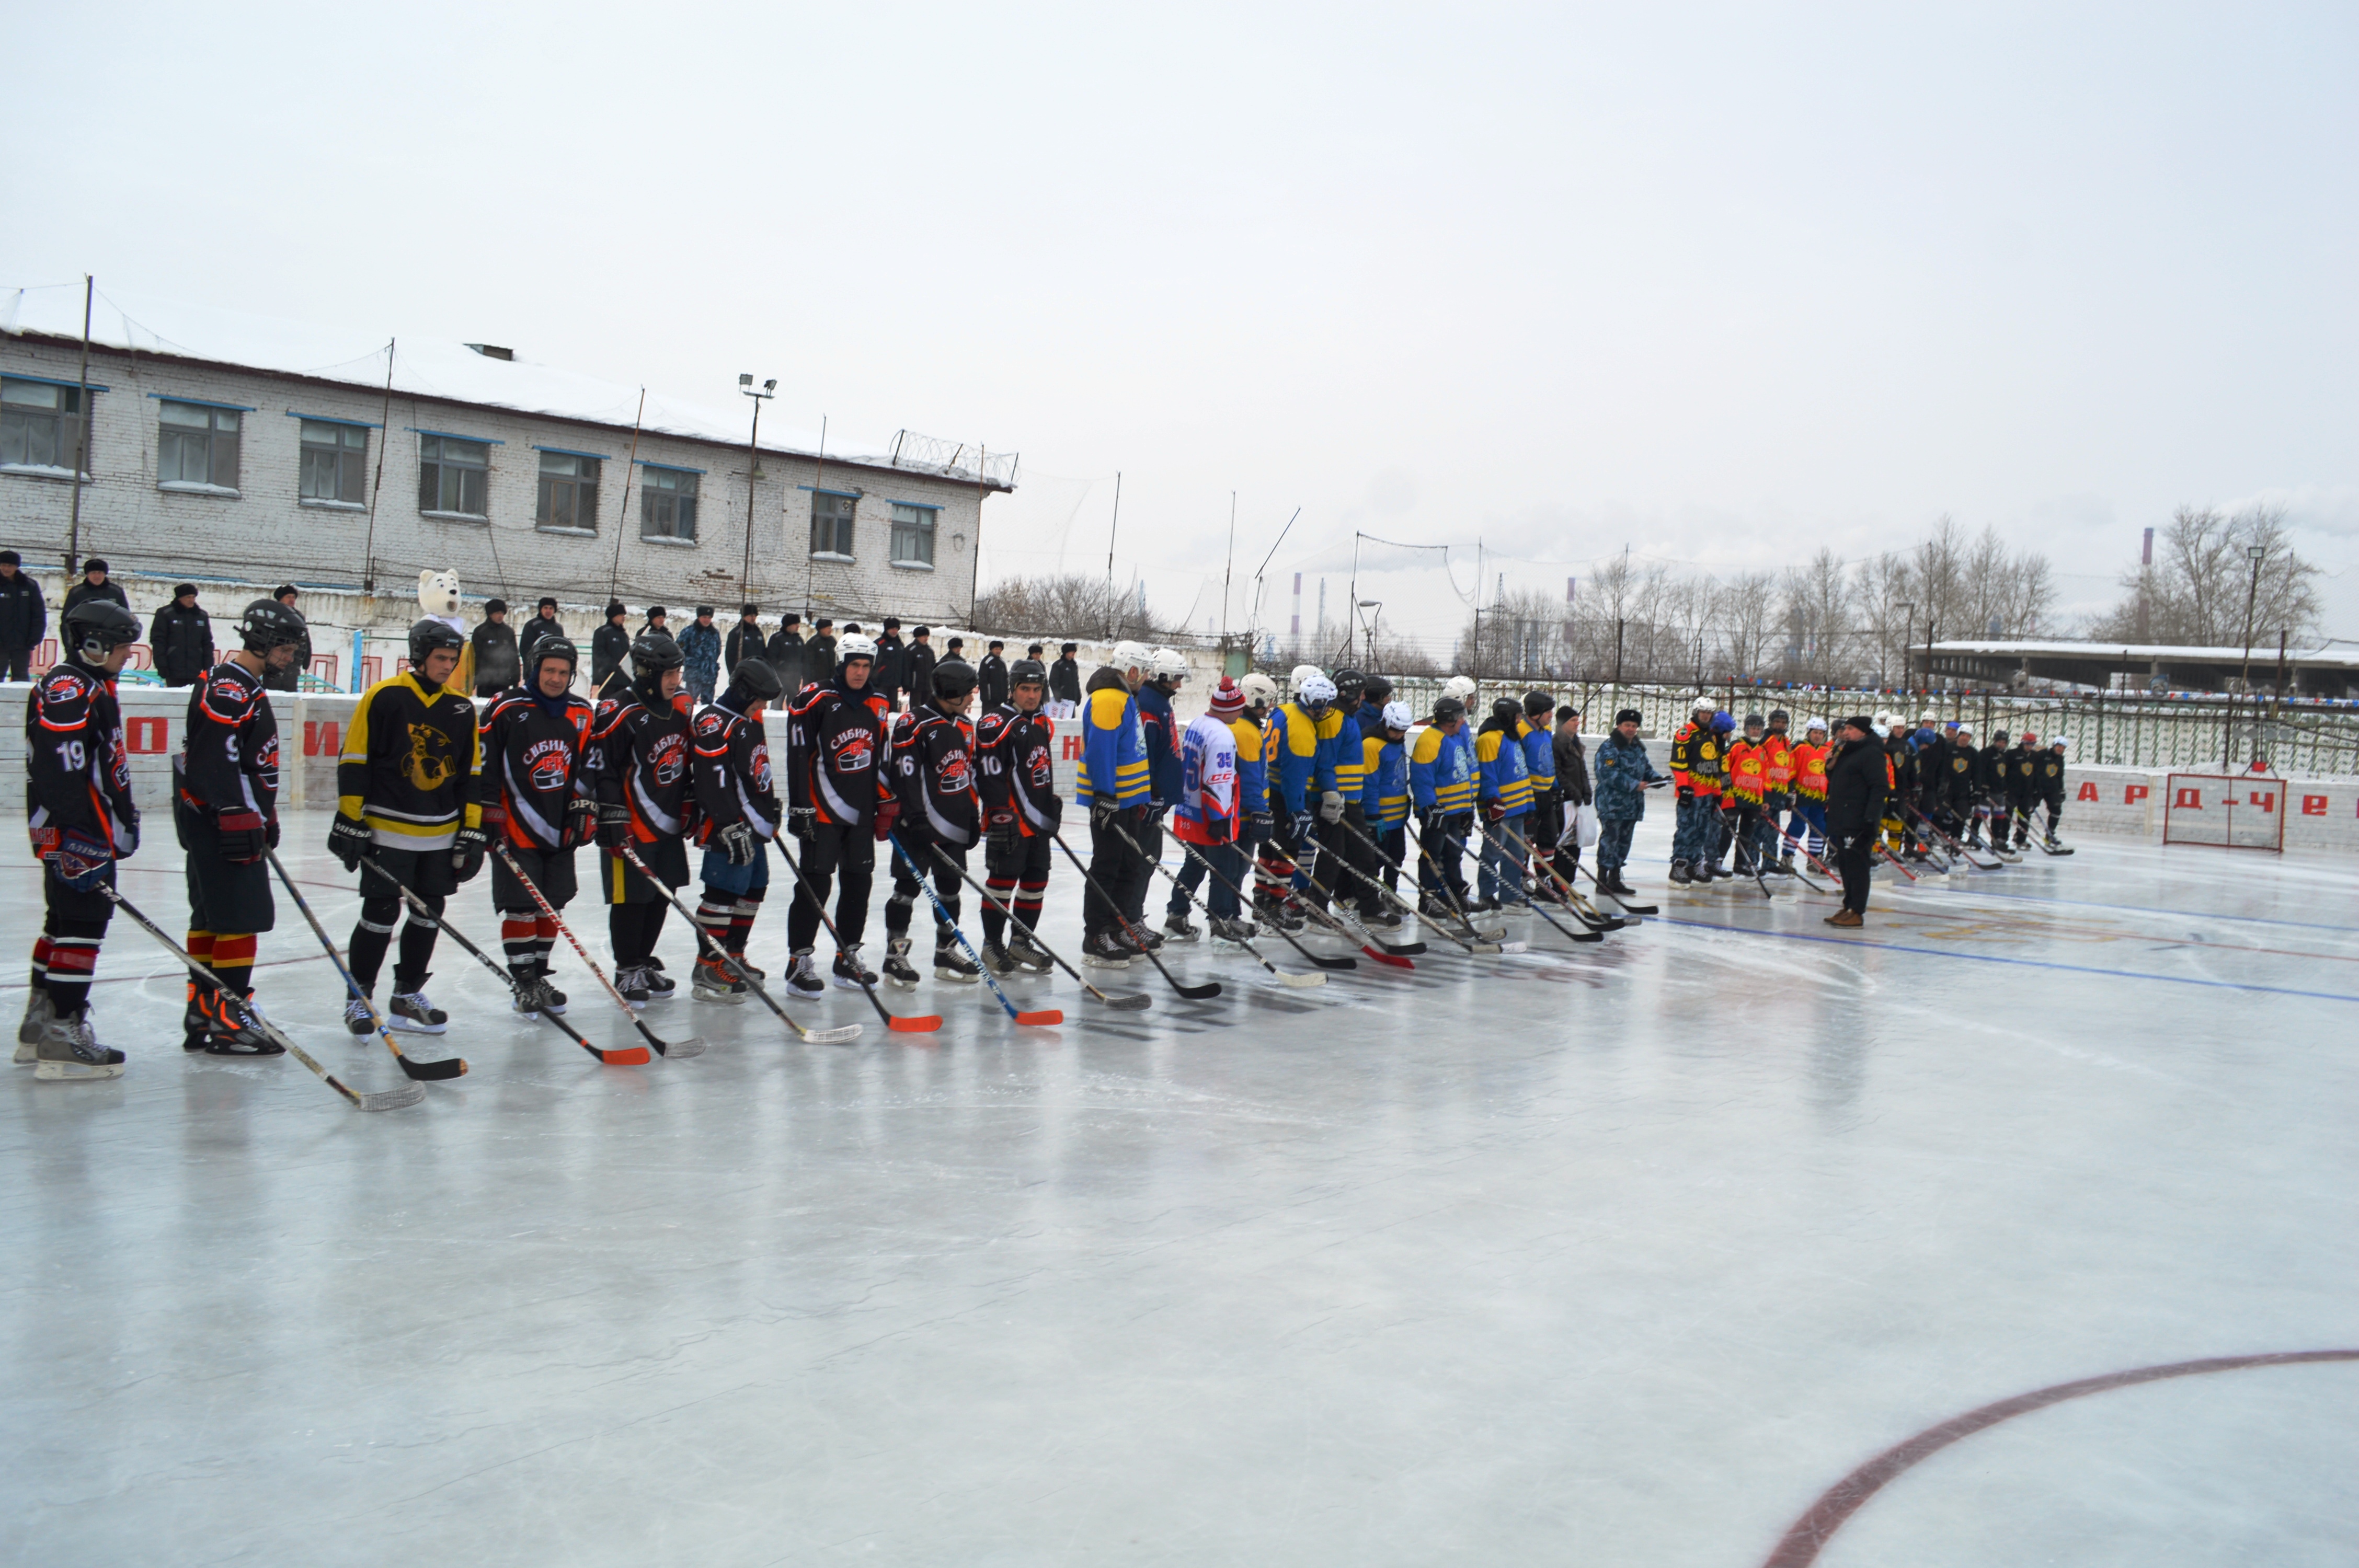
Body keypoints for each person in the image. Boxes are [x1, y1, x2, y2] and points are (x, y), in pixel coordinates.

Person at [327, 618, 482, 1034]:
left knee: (429, 913)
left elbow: (470, 774)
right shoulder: (384, 697)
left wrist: (472, 829)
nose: (447, 667)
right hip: (387, 830)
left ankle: (406, 995)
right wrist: (350, 817)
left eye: (453, 659)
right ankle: (358, 998)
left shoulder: (461, 707)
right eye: (440, 659)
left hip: (440, 833)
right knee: (379, 913)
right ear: (419, 657)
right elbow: (355, 759)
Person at [173, 597, 307, 1056]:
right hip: (224, 824)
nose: (289, 657)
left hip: (220, 820)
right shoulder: (230, 688)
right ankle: (230, 1017)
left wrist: (260, 815)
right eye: (285, 648)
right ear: (263, 641)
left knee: (211, 918)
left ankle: (203, 1006)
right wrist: (239, 815)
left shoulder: (238, 684)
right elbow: (217, 762)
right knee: (239, 918)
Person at [18, 597, 142, 1080]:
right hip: (78, 834)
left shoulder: (86, 683)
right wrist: (83, 837)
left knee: (62, 920)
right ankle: (62, 1034)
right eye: (121, 647)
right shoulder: (72, 688)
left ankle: (40, 1022)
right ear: (93, 645)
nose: (127, 655)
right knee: (82, 925)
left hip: (74, 830)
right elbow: (63, 774)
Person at [474, 634, 596, 1017]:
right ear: (533, 669)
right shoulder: (505, 708)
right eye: (550, 671)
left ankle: (540, 974)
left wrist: (583, 804)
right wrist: (489, 815)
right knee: (522, 907)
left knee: (552, 905)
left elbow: (587, 765)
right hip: (516, 827)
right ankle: (523, 980)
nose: (557, 679)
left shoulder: (581, 712)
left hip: (560, 828)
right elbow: (483, 766)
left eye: (564, 673)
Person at [781, 630, 891, 997]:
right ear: (840, 665)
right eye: (854, 665)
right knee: (816, 884)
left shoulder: (878, 702)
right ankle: (799, 962)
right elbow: (798, 756)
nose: (860, 672)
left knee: (859, 883)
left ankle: (848, 957)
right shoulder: (815, 699)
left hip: (860, 811)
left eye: (865, 666)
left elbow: (879, 758)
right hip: (822, 811)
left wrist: (885, 800)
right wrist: (800, 805)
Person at [588, 631, 696, 1005]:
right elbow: (601, 768)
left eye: (678, 672)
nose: (675, 680)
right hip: (631, 826)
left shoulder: (680, 706)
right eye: (668, 673)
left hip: (667, 823)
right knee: (632, 899)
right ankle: (626, 968)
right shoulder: (619, 710)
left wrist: (692, 800)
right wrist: (610, 817)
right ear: (646, 671)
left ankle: (643, 960)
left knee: (662, 895)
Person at [686, 651, 784, 1000]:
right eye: (758, 698)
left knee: (754, 887)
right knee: (723, 894)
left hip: (753, 825)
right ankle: (707, 965)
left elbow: (758, 770)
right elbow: (712, 780)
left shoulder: (749, 719)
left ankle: (734, 955)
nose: (761, 705)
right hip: (726, 827)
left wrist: (771, 807)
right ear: (743, 691)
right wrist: (729, 823)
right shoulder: (714, 721)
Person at [881, 658, 983, 988]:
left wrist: (971, 815)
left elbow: (967, 772)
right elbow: (905, 776)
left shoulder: (964, 725)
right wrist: (915, 819)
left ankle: (945, 951)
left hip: (953, 824)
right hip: (918, 826)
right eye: (968, 692)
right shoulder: (913, 724)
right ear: (951, 691)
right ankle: (895, 956)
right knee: (907, 889)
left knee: (951, 890)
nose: (972, 698)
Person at [975, 656, 1060, 974]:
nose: (1032, 695)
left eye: (1037, 689)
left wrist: (1050, 803)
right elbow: (988, 775)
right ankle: (992, 945)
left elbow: (1037, 768)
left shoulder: (1041, 722)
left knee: (1036, 883)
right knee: (1001, 883)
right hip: (1010, 821)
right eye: (1025, 689)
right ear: (1012, 690)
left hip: (1037, 821)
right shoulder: (995, 722)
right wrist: (999, 815)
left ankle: (1020, 943)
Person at [1077, 641, 1153, 965]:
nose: (1148, 678)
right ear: (1132, 670)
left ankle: (1118, 926)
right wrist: (1105, 796)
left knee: (1128, 865)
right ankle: (1096, 936)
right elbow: (1100, 751)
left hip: (1128, 798)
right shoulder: (1109, 698)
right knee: (1107, 867)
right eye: (1145, 672)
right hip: (1112, 800)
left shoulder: (1125, 696)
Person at [1166, 677, 1254, 942]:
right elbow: (1217, 779)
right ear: (1228, 709)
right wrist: (1219, 819)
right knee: (1224, 870)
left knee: (1193, 865)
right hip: (1213, 816)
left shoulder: (1198, 724)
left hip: (1191, 810)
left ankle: (1176, 916)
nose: (1242, 712)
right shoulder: (1222, 735)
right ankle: (1222, 922)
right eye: (1239, 708)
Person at [1258, 667, 1338, 928]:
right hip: (1284, 796)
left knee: (1270, 849)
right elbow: (1294, 777)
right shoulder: (1302, 730)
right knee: (1286, 852)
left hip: (1268, 790)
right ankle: (1275, 906)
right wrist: (1297, 810)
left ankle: (1262, 901)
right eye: (1322, 703)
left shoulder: (1284, 710)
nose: (1326, 709)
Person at [1407, 694, 1476, 916]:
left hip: (1455, 810)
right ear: (1449, 720)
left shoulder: (1455, 737)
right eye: (1460, 718)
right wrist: (1430, 806)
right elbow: (1421, 777)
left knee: (1453, 855)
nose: (1464, 722)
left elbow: (1462, 774)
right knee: (1432, 856)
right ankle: (1428, 900)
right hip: (1438, 812)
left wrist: (1467, 808)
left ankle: (1456, 898)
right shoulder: (1430, 740)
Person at [1135, 649, 1187, 934]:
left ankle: (1133, 918)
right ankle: (1130, 920)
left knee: (1148, 860)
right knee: (1140, 862)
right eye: (1176, 678)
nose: (1179, 685)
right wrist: (1151, 792)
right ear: (1161, 675)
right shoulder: (1148, 703)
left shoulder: (1160, 701)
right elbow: (1144, 755)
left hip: (1157, 800)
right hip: (1147, 801)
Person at [1590, 708, 1665, 897]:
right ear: (1619, 726)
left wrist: (1658, 780)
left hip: (1632, 805)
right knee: (1610, 841)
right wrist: (1634, 785)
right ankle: (1602, 880)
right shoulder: (1609, 748)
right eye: (1627, 725)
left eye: (1634, 726)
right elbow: (1607, 774)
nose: (1631, 729)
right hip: (1612, 805)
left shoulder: (1637, 748)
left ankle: (1615, 879)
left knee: (1624, 842)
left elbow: (1646, 769)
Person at [1824, 716, 1887, 927]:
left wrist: (1871, 819)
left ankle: (1857, 911)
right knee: (1845, 865)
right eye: (1845, 729)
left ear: (1862, 731)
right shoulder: (1849, 750)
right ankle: (1848, 906)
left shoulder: (1872, 753)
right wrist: (1830, 763)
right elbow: (1838, 780)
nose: (1846, 732)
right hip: (1842, 817)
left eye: (1850, 729)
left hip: (1858, 820)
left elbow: (1879, 787)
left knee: (1858, 867)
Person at [1354, 699, 1414, 926]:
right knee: (1376, 860)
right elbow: (1369, 782)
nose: (1399, 735)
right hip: (1380, 816)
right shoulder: (1372, 744)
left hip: (1397, 815)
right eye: (1395, 730)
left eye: (1403, 732)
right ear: (1386, 723)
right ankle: (1367, 898)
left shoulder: (1398, 742)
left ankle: (1390, 893)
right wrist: (1372, 815)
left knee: (1396, 857)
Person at [1472, 696, 1534, 909]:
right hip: (1501, 810)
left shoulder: (1512, 738)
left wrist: (1530, 803)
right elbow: (1487, 774)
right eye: (1517, 716)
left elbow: (1522, 773)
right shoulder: (1489, 739)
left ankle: (1510, 894)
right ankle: (1487, 894)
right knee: (1492, 853)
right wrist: (1493, 802)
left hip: (1518, 808)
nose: (1520, 721)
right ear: (1507, 716)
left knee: (1516, 855)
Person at [1667, 695, 1721, 884]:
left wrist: (1717, 792)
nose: (1705, 716)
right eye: (1703, 712)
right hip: (1690, 793)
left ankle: (1694, 865)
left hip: (1706, 794)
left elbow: (1714, 766)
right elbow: (1678, 763)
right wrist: (1683, 787)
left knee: (1702, 831)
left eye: (1709, 713)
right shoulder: (1685, 733)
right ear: (1695, 712)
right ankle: (1679, 867)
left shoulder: (1711, 735)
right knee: (1686, 830)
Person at [1519, 693, 1561, 899]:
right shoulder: (1521, 731)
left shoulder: (1546, 731)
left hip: (1546, 796)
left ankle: (1544, 882)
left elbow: (1548, 761)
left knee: (1548, 840)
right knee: (1527, 842)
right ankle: (1522, 879)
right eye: (1548, 712)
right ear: (1535, 713)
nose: (1551, 715)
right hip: (1530, 796)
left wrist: (1555, 787)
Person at [1721, 713, 1769, 876]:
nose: (1756, 732)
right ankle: (1717, 862)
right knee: (1728, 831)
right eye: (1753, 728)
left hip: (1754, 799)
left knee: (1747, 833)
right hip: (1734, 797)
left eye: (1758, 729)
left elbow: (1766, 776)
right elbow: (1724, 767)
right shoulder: (1736, 746)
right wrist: (1725, 790)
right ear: (1747, 729)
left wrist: (1765, 798)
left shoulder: (1763, 751)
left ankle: (1740, 864)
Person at [1552, 704, 1590, 891]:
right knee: (1564, 845)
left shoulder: (1575, 741)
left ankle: (1569, 884)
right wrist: (1574, 792)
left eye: (1578, 720)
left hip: (1577, 803)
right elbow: (1558, 773)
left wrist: (1587, 790)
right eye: (1573, 720)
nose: (1577, 723)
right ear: (1562, 723)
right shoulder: (1557, 743)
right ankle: (1558, 885)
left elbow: (1582, 770)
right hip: (1563, 803)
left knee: (1575, 844)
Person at [148, 583, 215, 687]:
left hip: (196, 669)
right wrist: (161, 665)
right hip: (173, 669)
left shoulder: (202, 616)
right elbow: (158, 641)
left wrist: (209, 667)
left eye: (193, 597)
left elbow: (207, 643)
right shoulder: (166, 613)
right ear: (180, 598)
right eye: (188, 597)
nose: (191, 600)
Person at [1787, 719, 1832, 863]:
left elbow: (1830, 773)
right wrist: (1790, 789)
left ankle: (1815, 858)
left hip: (1820, 796)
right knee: (1798, 825)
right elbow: (1791, 769)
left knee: (1820, 826)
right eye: (1815, 732)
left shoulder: (1826, 751)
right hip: (1802, 794)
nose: (1818, 736)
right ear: (1809, 733)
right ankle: (1787, 855)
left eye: (1821, 733)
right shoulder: (1799, 747)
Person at [1758, 710, 1796, 873]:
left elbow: (1790, 767)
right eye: (1777, 722)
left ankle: (1770, 864)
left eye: (1783, 722)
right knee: (1759, 830)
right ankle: (1750, 864)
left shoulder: (1787, 742)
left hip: (1780, 793)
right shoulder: (1764, 739)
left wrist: (1789, 792)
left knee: (1773, 831)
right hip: (1765, 791)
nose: (1780, 725)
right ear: (1771, 722)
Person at [0, 550, 47, 681]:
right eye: (3, 565)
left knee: (21, 679)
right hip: (1, 644)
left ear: (17, 567)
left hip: (22, 644)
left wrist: (35, 637)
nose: (6, 568)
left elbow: (38, 614)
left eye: (10, 565)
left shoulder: (29, 586)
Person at [262, 585, 310, 692]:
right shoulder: (272, 615)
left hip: (293, 661)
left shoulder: (298, 617)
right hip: (274, 661)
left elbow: (305, 638)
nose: (292, 600)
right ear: (280, 599)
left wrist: (306, 658)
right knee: (272, 691)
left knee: (290, 691)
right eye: (289, 597)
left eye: (293, 597)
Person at [471, 598, 520, 697]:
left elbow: (514, 657)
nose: (500, 616)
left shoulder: (508, 632)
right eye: (497, 613)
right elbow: (476, 657)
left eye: (502, 613)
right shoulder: (480, 631)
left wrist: (515, 679)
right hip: (485, 681)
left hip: (503, 680)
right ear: (490, 614)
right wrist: (473, 680)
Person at [2003, 729, 2039, 849]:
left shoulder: (2035, 756)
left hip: (2027, 793)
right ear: (2023, 742)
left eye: (2032, 744)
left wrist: (2035, 791)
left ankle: (2021, 840)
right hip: (2012, 791)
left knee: (2025, 817)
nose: (2030, 746)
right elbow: (2004, 771)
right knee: (2007, 815)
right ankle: (2003, 838)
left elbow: (2036, 774)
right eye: (2028, 744)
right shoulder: (2011, 754)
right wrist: (2005, 788)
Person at [61, 558, 129, 617]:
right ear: (87, 574)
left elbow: (126, 615)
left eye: (100, 573)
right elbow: (67, 618)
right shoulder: (76, 592)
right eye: (93, 573)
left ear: (105, 574)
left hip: (110, 631)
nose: (97, 576)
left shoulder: (116, 592)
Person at [680, 606, 722, 703]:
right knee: (689, 703)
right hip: (694, 676)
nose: (707, 620)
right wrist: (691, 663)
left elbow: (717, 651)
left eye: (709, 617)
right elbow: (680, 651)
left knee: (708, 705)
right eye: (704, 617)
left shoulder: (714, 633)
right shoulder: (688, 632)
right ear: (699, 617)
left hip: (710, 676)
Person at [590, 601, 632, 695]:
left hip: (623, 679)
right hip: (607, 678)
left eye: (624, 615)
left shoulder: (624, 634)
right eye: (621, 615)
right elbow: (598, 652)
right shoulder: (602, 632)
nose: (624, 617)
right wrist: (612, 665)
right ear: (614, 616)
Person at [518, 596, 567, 675]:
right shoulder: (532, 625)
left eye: (551, 608)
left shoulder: (559, 628)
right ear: (541, 609)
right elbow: (525, 649)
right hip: (534, 671)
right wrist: (531, 667)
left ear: (554, 610)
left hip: (553, 671)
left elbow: (560, 648)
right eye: (546, 608)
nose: (548, 611)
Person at [2036, 736, 2068, 846]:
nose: (2060, 749)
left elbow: (2060, 776)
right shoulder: (2043, 754)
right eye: (2059, 746)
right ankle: (2020, 837)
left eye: (2063, 748)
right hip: (2039, 787)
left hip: (2052, 789)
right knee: (2028, 810)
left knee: (2056, 811)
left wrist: (2061, 790)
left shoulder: (2060, 759)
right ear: (2054, 745)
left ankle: (2050, 835)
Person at [768, 612, 807, 698]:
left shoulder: (799, 640)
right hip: (781, 678)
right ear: (788, 625)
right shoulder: (777, 638)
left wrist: (804, 673)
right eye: (795, 624)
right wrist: (777, 672)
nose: (798, 626)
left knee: (794, 702)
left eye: (798, 624)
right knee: (777, 701)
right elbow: (772, 657)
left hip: (795, 678)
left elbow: (804, 658)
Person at [725, 604, 766, 681]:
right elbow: (730, 655)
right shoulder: (737, 633)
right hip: (742, 672)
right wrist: (733, 673)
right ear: (744, 616)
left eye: (755, 616)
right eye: (750, 616)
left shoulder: (758, 633)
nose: (753, 618)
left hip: (758, 672)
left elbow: (763, 651)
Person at [873, 617, 908, 709]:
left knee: (893, 710)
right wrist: (874, 679)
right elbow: (874, 664)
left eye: (896, 629)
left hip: (894, 685)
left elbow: (903, 665)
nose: (894, 631)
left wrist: (905, 682)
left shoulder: (900, 645)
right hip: (881, 684)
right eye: (892, 628)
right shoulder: (879, 644)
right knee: (880, 708)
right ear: (887, 629)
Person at [904, 626, 937, 719]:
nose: (926, 638)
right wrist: (907, 684)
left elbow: (934, 668)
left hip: (928, 687)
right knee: (915, 711)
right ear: (917, 637)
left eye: (927, 636)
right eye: (924, 636)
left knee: (928, 710)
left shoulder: (929, 650)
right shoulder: (911, 650)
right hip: (916, 686)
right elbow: (907, 668)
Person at [1049, 642, 1082, 718]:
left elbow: (1076, 682)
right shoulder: (1058, 665)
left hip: (1072, 700)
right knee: (1062, 720)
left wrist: (1078, 696)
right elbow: (1053, 681)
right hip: (1062, 699)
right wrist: (1057, 694)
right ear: (1066, 653)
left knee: (1071, 720)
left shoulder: (1074, 665)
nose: (1073, 653)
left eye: (1074, 652)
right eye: (1072, 652)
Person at [804, 617, 838, 687]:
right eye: (828, 628)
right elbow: (808, 663)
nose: (830, 630)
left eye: (831, 628)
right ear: (821, 629)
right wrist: (811, 680)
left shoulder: (833, 641)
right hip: (817, 680)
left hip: (831, 679)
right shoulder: (813, 642)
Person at [978, 639, 1009, 711]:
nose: (998, 651)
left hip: (1000, 700)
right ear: (992, 650)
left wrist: (1005, 697)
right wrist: (986, 697)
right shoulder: (987, 661)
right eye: (996, 649)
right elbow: (982, 680)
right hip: (989, 700)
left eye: (1000, 649)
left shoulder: (1002, 662)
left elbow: (1006, 679)